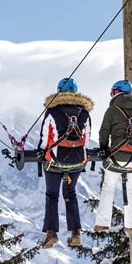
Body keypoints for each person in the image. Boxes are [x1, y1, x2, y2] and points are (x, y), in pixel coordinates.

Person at [37, 78, 93, 248]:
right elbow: (87, 139)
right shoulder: (84, 113)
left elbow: (45, 137)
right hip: (77, 161)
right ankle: (76, 231)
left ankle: (51, 233)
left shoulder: (52, 112)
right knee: (70, 193)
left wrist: (42, 151)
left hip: (55, 160)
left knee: (52, 194)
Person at [95, 80, 132, 232]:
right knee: (130, 187)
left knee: (108, 186)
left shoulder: (112, 110)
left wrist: (104, 149)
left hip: (118, 158)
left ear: (115, 92)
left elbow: (104, 132)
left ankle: (102, 223)